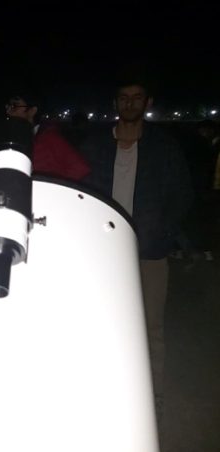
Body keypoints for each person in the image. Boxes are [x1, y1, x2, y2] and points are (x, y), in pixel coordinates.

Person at [80, 76, 193, 436]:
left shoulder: (164, 146)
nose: (129, 103)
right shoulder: (95, 145)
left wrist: (164, 232)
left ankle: (153, 394)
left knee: (151, 328)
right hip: (105, 252)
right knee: (102, 322)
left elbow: (182, 195)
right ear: (116, 102)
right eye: (123, 97)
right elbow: (82, 192)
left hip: (149, 252)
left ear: (147, 102)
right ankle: (106, 391)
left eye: (136, 97)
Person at [5, 93, 90, 181]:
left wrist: (54, 186)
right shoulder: (13, 136)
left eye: (14, 106)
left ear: (32, 111)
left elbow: (80, 168)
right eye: (8, 106)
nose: (8, 111)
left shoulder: (49, 138)